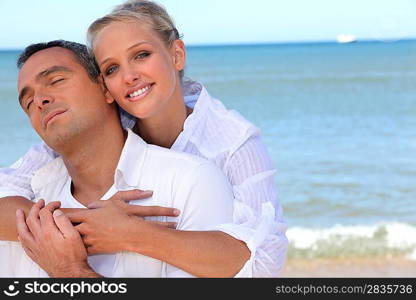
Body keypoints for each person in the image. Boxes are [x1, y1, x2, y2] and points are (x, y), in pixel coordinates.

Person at [0, 0, 288, 277]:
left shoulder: (230, 144)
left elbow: (263, 263)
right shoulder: (101, 126)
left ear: (176, 55)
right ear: (105, 88)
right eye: (112, 69)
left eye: (141, 55)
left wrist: (130, 234)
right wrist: (81, 226)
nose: (128, 76)